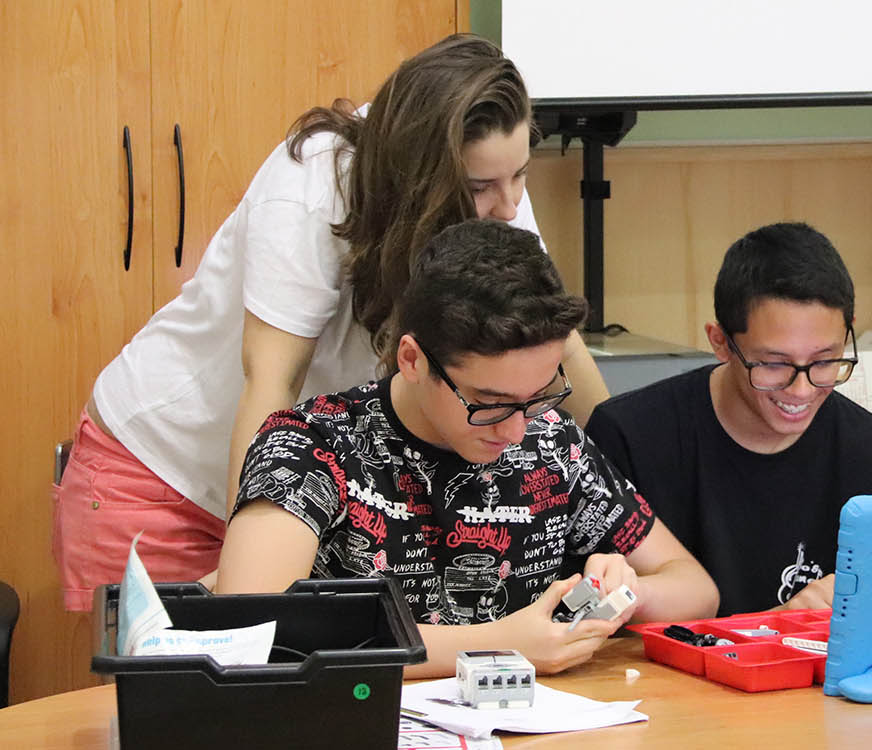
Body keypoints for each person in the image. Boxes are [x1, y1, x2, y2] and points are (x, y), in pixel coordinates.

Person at [52, 34, 610, 612]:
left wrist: (624, 469)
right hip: (163, 474)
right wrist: (247, 565)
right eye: (481, 188)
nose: (511, 205)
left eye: (520, 174)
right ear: (419, 175)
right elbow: (272, 383)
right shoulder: (313, 183)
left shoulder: (491, 177)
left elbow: (552, 337)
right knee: (175, 693)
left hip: (294, 497)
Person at [215, 219, 717, 676]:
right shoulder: (310, 445)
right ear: (412, 360)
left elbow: (696, 589)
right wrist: (496, 644)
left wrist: (627, 592)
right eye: (489, 403)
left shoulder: (554, 445)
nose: (517, 431)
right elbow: (254, 630)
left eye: (539, 396)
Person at [585, 222, 872, 616]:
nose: (801, 390)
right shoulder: (628, 438)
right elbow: (594, 620)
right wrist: (776, 628)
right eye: (774, 365)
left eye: (825, 361)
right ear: (721, 343)